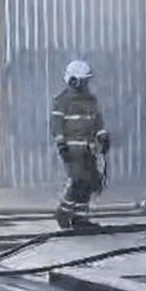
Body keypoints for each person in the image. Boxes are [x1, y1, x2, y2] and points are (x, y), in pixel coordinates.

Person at [51, 60, 110, 230]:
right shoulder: (62, 101)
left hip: (88, 150)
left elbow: (97, 122)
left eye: (86, 80)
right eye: (82, 80)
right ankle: (63, 212)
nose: (84, 84)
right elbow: (56, 126)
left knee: (90, 183)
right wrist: (61, 146)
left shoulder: (91, 100)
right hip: (72, 150)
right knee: (78, 182)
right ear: (72, 80)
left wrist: (103, 137)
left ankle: (80, 219)